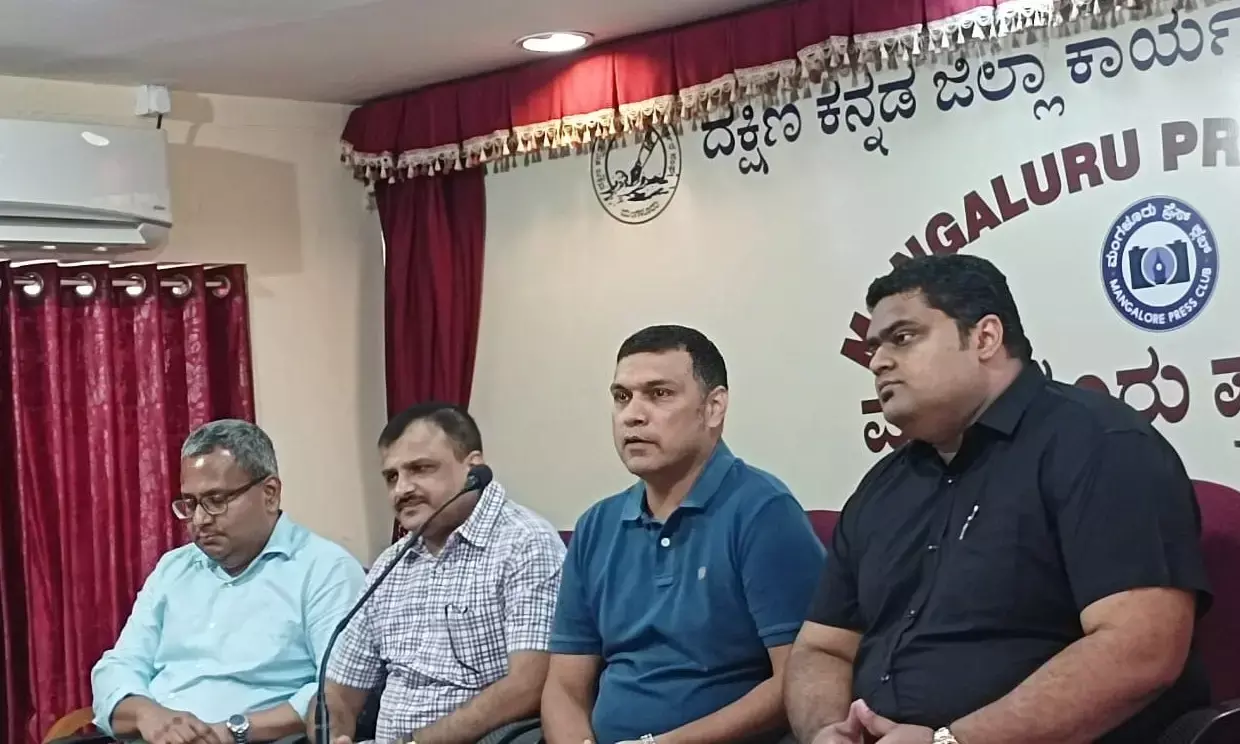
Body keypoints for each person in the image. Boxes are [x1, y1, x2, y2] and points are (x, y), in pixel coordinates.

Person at [784, 254, 1213, 744]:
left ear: (985, 338)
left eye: (902, 337)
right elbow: (822, 647)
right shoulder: (881, 489)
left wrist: (951, 741)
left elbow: (1142, 650)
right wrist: (825, 732)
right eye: (874, 347)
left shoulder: (1100, 444)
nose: (878, 361)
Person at [542, 325, 826, 744]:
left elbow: (802, 676)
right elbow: (565, 685)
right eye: (622, 396)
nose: (633, 415)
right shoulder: (595, 526)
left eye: (659, 394)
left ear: (714, 408)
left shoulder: (763, 511)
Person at [90, 419, 367, 744]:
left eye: (216, 500)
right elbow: (120, 665)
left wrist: (234, 730)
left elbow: (338, 688)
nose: (200, 520)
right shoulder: (173, 569)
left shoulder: (325, 570)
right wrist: (148, 715)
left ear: (270, 494)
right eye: (190, 504)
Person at [309, 402, 565, 744]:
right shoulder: (391, 564)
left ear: (474, 468)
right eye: (391, 477)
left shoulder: (525, 543)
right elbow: (338, 691)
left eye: (420, 469)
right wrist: (332, 734)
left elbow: (529, 686)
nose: (402, 489)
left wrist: (415, 743)